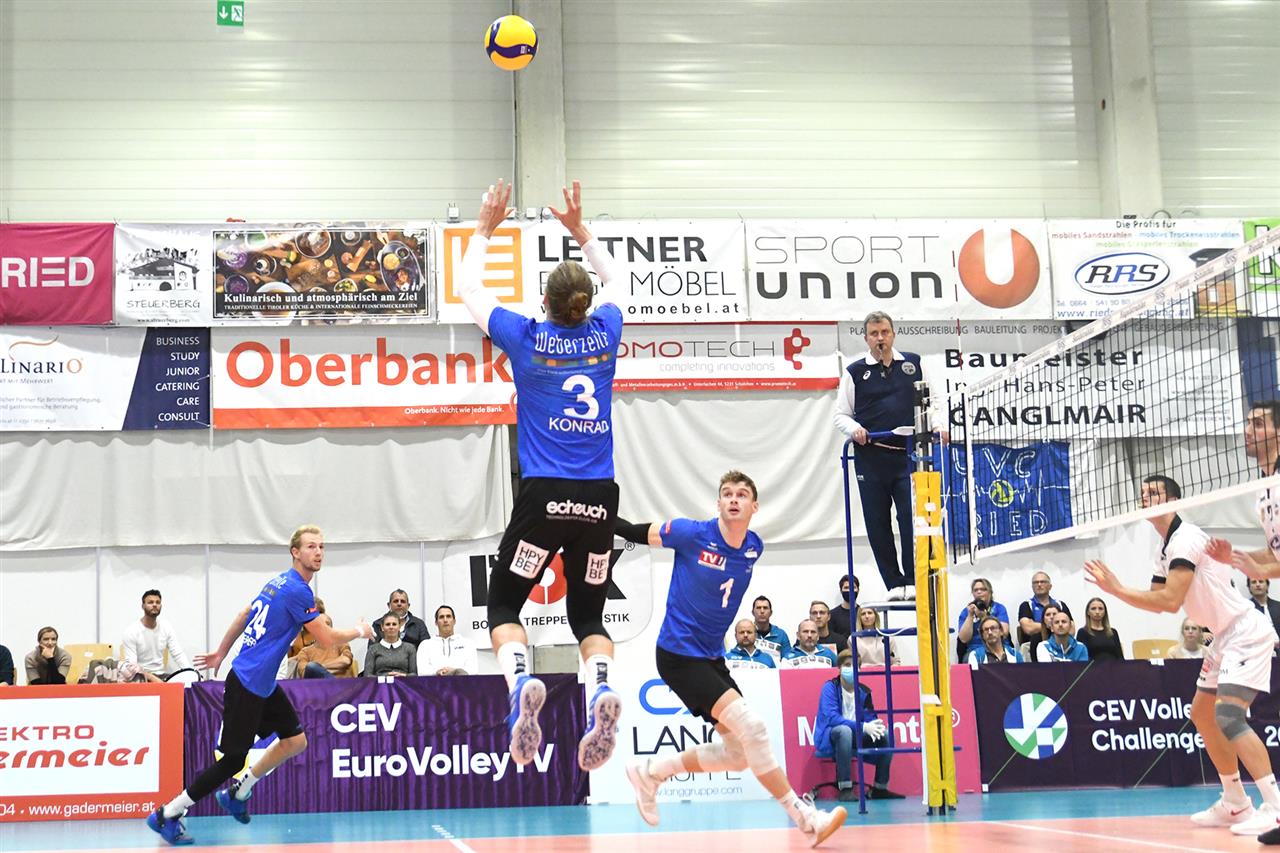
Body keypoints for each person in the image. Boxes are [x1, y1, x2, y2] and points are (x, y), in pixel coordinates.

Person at [459, 178, 625, 773]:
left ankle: (519, 686)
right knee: (589, 616)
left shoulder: (527, 339)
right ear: (583, 304)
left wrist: (485, 227)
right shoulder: (605, 334)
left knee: (505, 604)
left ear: (545, 304)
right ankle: (600, 686)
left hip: (545, 497)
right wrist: (581, 230)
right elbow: (619, 283)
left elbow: (469, 288)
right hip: (598, 500)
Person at [615, 471, 846, 847]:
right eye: (727, 494)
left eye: (741, 494)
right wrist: (592, 514)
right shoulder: (691, 534)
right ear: (718, 503)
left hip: (710, 657)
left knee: (738, 754)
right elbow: (632, 531)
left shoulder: (754, 546)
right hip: (678, 654)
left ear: (755, 506)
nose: (734, 499)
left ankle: (652, 772)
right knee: (753, 728)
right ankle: (806, 819)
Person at [147, 525, 374, 846]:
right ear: (295, 552)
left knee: (295, 741)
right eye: (311, 546)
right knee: (232, 760)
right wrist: (360, 630)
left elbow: (245, 613)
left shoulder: (278, 582)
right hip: (247, 684)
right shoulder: (297, 590)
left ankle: (238, 793)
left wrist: (220, 652)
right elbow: (326, 638)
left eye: (322, 546)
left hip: (262, 684)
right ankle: (167, 813)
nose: (318, 552)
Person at [1087, 474, 1280, 838]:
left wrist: (1116, 589)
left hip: (1244, 630)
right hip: (1223, 636)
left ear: (1173, 500)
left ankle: (1275, 806)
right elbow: (1159, 603)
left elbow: (1172, 600)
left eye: (1154, 493)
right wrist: (1118, 591)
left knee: (1229, 716)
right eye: (1143, 493)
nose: (1146, 498)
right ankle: (1236, 801)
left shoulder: (1186, 538)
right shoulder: (1164, 548)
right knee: (1202, 714)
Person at [833, 311, 928, 601]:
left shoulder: (913, 363)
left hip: (906, 457)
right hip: (871, 458)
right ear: (866, 338)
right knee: (877, 522)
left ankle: (913, 580)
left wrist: (937, 426)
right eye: (874, 334)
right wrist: (855, 429)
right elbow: (841, 415)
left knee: (909, 519)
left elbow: (930, 402)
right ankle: (894, 583)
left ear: (893, 334)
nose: (880, 338)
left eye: (885, 332)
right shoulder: (854, 372)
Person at [814, 649, 902, 802]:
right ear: (839, 668)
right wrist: (862, 726)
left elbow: (870, 718)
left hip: (857, 735)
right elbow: (832, 718)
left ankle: (879, 788)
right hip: (832, 735)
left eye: (855, 665)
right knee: (844, 731)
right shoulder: (830, 687)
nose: (851, 668)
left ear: (860, 669)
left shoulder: (864, 691)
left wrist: (874, 725)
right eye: (847, 665)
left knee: (886, 735)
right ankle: (845, 788)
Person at [120, 589, 193, 683]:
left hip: (162, 676)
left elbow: (178, 654)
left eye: (158, 602)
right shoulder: (131, 631)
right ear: (143, 606)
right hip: (141, 677)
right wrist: (151, 678)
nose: (154, 605)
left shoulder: (166, 626)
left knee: (184, 686)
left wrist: (191, 674)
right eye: (150, 602)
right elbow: (132, 666)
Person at [417, 605, 479, 676]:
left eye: (448, 616)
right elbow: (422, 671)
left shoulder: (468, 644)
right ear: (436, 622)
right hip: (434, 683)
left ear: (454, 621)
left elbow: (473, 670)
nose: (445, 620)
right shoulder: (425, 645)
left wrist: (455, 672)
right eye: (441, 617)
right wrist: (437, 672)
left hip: (462, 682)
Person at [956, 578, 1009, 659]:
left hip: (999, 647)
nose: (979, 592)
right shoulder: (966, 611)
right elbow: (963, 639)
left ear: (990, 592)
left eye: (983, 589)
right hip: (975, 649)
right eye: (975, 590)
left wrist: (984, 617)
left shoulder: (999, 608)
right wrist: (970, 616)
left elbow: (1004, 632)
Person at [1016, 572, 1073, 648]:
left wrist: (1040, 626)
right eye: (1036, 582)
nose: (1039, 584)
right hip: (1033, 646)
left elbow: (1071, 629)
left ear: (1050, 586)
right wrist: (1057, 626)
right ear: (1032, 587)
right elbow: (1028, 628)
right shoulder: (1026, 605)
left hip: (1061, 645)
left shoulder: (1060, 604)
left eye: (1042, 582)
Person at [1075, 597, 1124, 661]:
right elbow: (1080, 658)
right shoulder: (1082, 632)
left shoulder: (1113, 632)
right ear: (1088, 612)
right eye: (1093, 609)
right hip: (1093, 666)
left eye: (1100, 609)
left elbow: (1120, 657)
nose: (1097, 612)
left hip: (1113, 666)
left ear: (1105, 612)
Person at [750, 596, 792, 661]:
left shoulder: (781, 634)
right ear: (753, 612)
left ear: (771, 612)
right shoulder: (747, 633)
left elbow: (788, 660)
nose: (762, 611)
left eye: (765, 608)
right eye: (758, 608)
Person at [1247, 579, 1280, 644]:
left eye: (1261, 581)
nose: (1258, 585)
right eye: (1254, 582)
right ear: (1249, 587)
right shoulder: (1245, 609)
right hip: (1256, 647)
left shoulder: (1278, 606)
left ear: (1267, 585)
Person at [828, 575, 854, 642]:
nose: (849, 590)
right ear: (841, 590)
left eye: (853, 587)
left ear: (858, 590)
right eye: (846, 587)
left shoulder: (863, 613)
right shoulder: (832, 615)